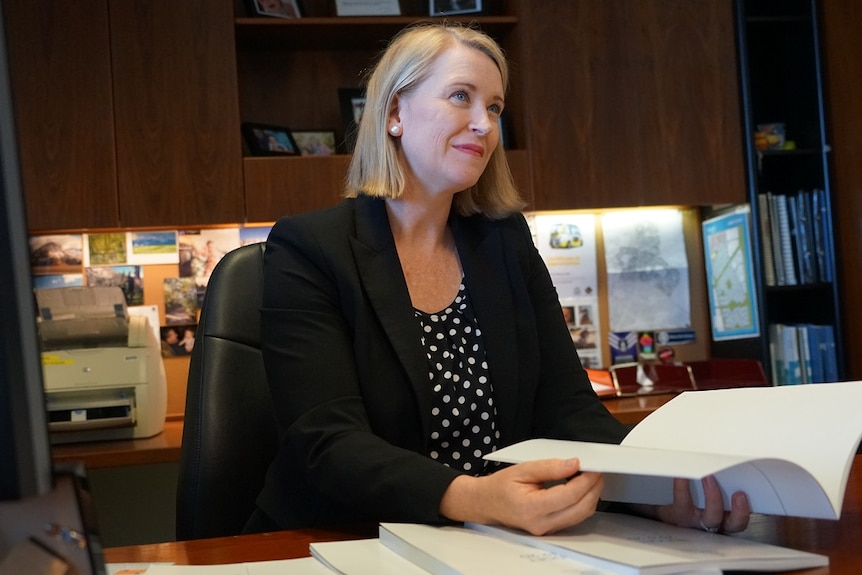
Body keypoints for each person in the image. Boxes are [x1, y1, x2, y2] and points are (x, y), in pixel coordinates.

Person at [249, 23, 750, 537]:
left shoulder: (503, 241)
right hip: (339, 538)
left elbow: (567, 410)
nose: (484, 125)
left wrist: (658, 494)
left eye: (493, 108)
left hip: (489, 542)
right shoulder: (309, 248)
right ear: (395, 113)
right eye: (461, 97)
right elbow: (326, 442)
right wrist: (474, 497)